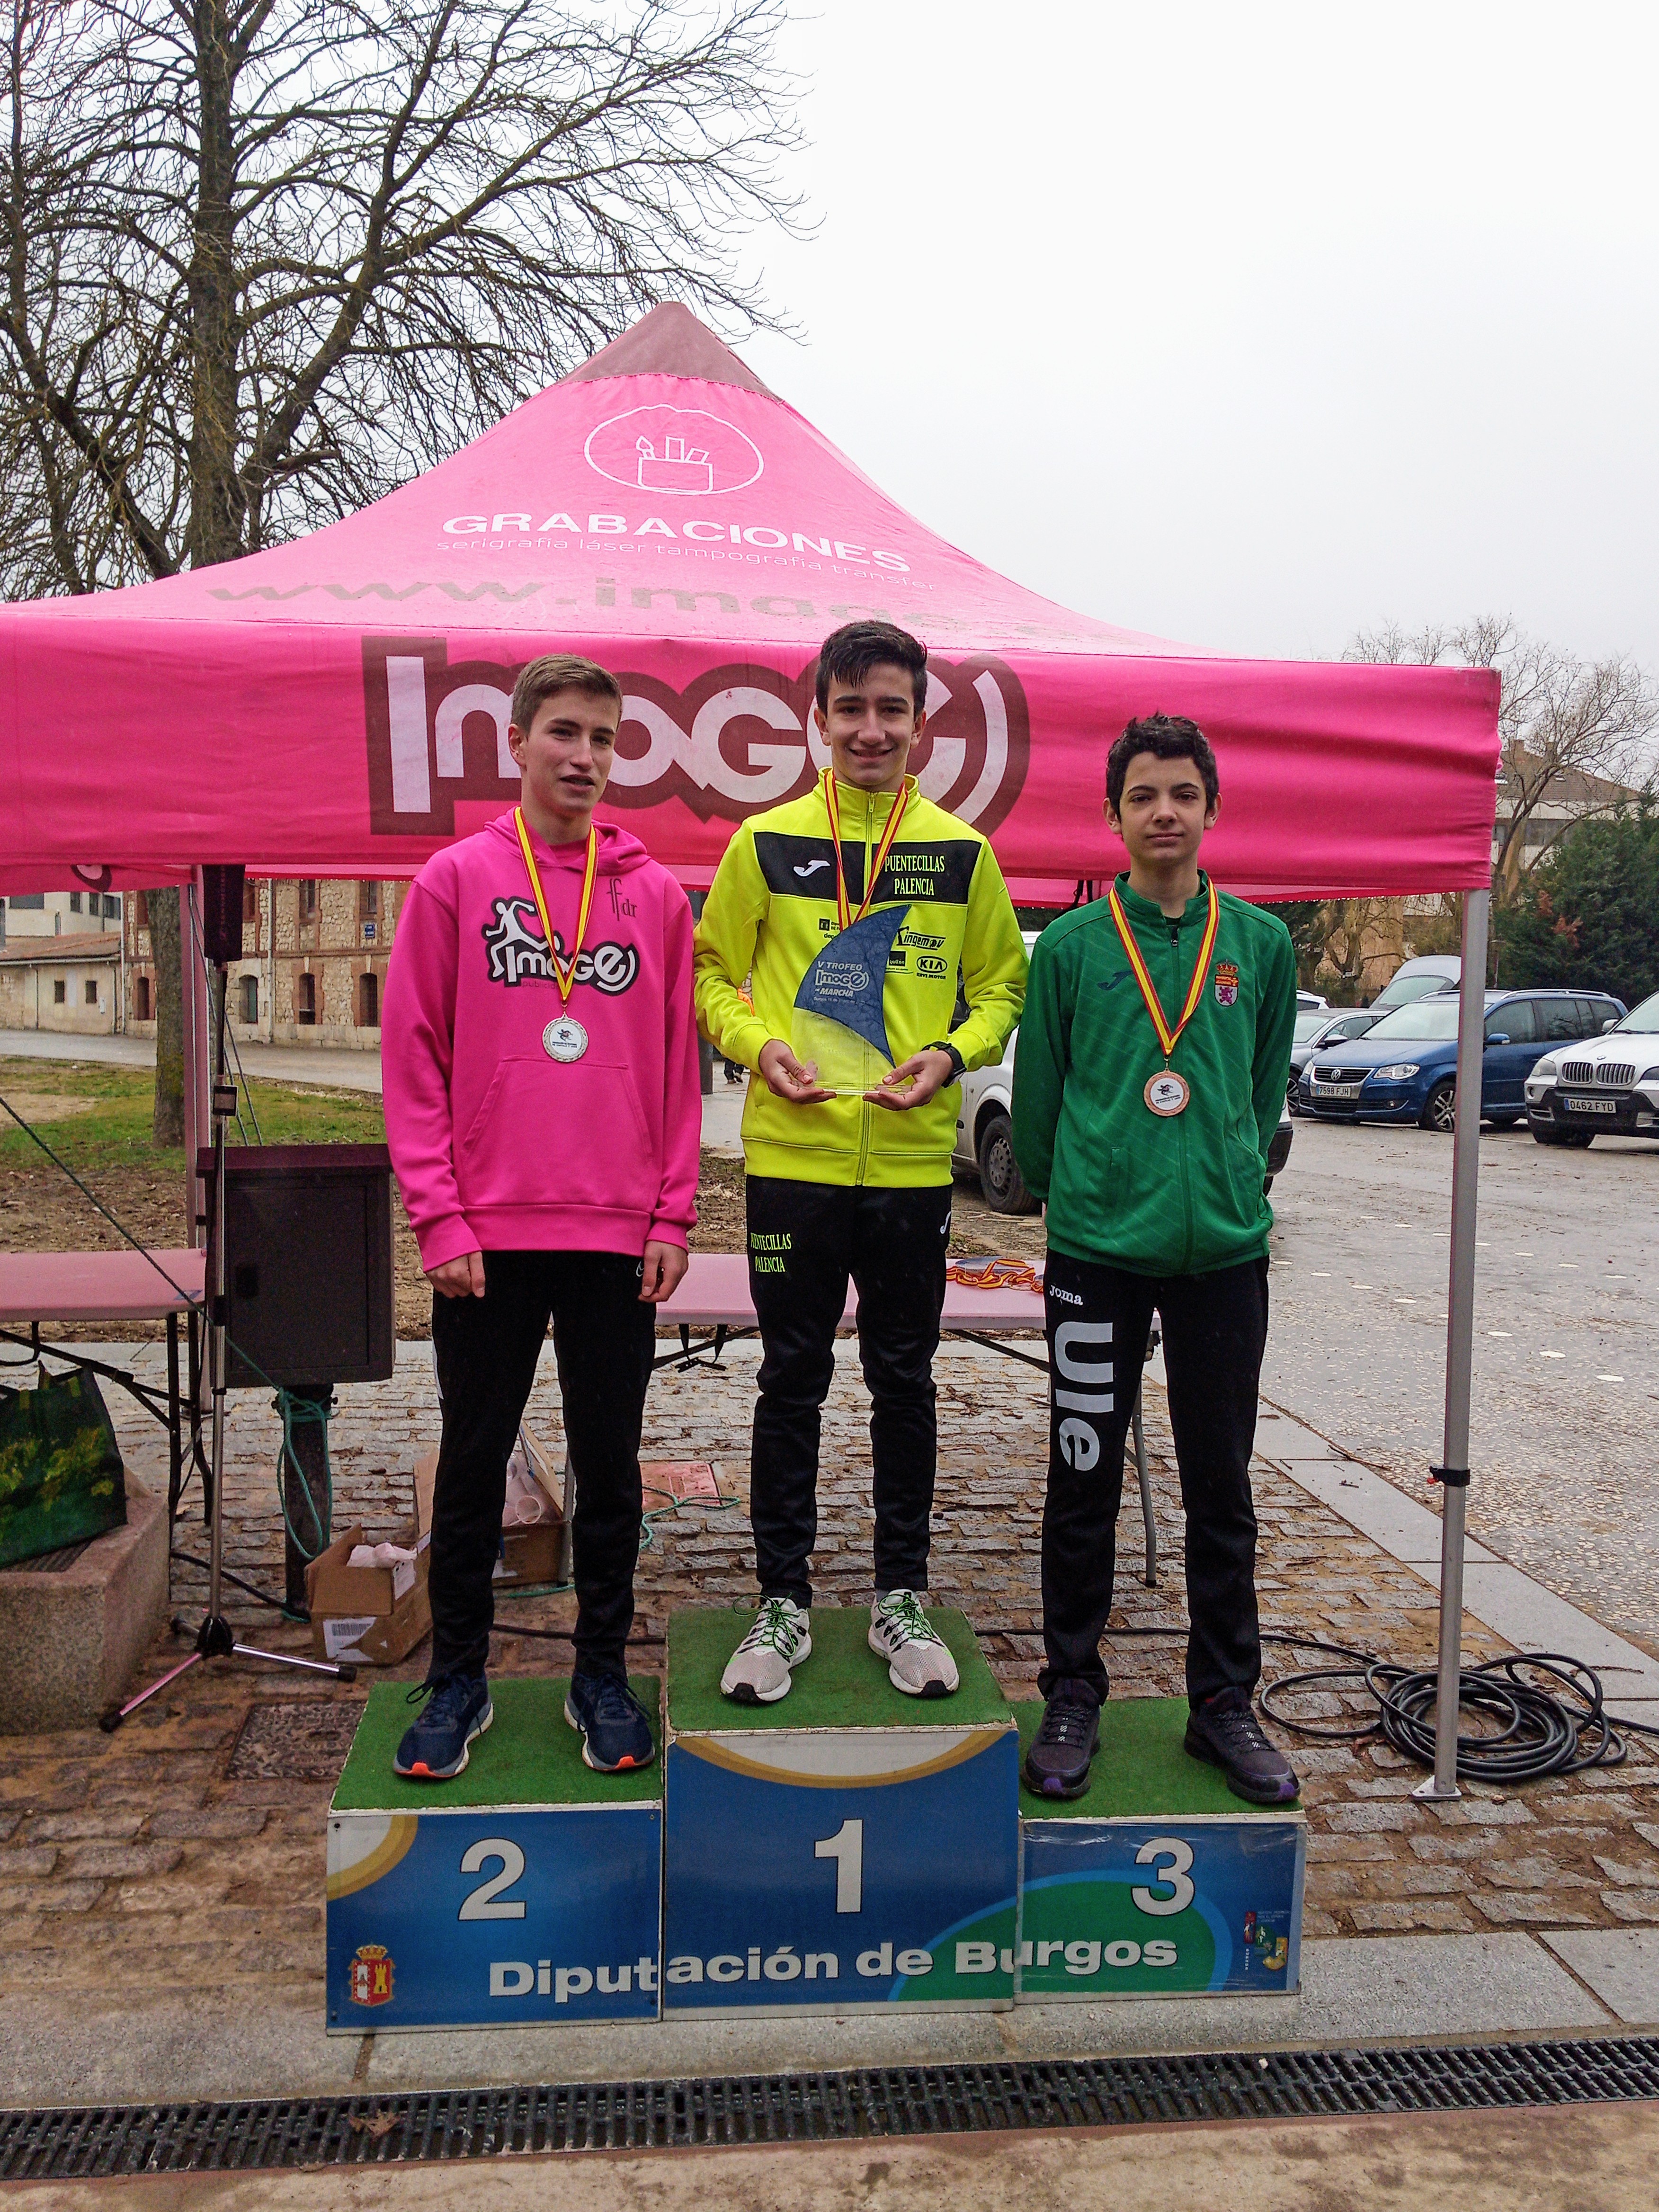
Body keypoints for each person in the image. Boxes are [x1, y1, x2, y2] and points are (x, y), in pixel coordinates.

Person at [694, 620, 1027, 1703]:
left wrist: (950, 1054)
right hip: (795, 1155)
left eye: (891, 709)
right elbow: (712, 976)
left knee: (904, 1378)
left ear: (922, 725)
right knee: (792, 1377)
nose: (870, 729)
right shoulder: (765, 842)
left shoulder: (963, 854)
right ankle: (781, 1600)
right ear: (819, 720)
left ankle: (900, 1594)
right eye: (851, 709)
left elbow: (1003, 991)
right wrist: (758, 1045)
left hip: (912, 1166)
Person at [382, 652, 700, 1779]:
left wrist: (674, 1213)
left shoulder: (655, 896)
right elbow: (412, 1056)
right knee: (472, 1467)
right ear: (515, 743)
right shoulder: (456, 881)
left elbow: (676, 1068)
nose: (584, 756)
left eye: (605, 739)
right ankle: (456, 1677)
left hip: (617, 1232)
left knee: (611, 1470)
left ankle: (600, 1672)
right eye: (564, 732)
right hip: (488, 1236)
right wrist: (439, 1216)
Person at [1011, 713, 1299, 1804]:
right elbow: (1038, 1099)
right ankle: (1072, 1689)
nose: (1165, 812)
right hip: (1098, 1251)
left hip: (1224, 1255)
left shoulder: (1262, 944)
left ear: (1212, 808)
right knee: (1083, 1474)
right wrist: (1083, 1186)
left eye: (1183, 793)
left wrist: (1223, 1172)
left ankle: (1223, 1702)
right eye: (1144, 795)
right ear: (1115, 815)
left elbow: (1263, 1089)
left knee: (1221, 1487)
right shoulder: (1077, 950)